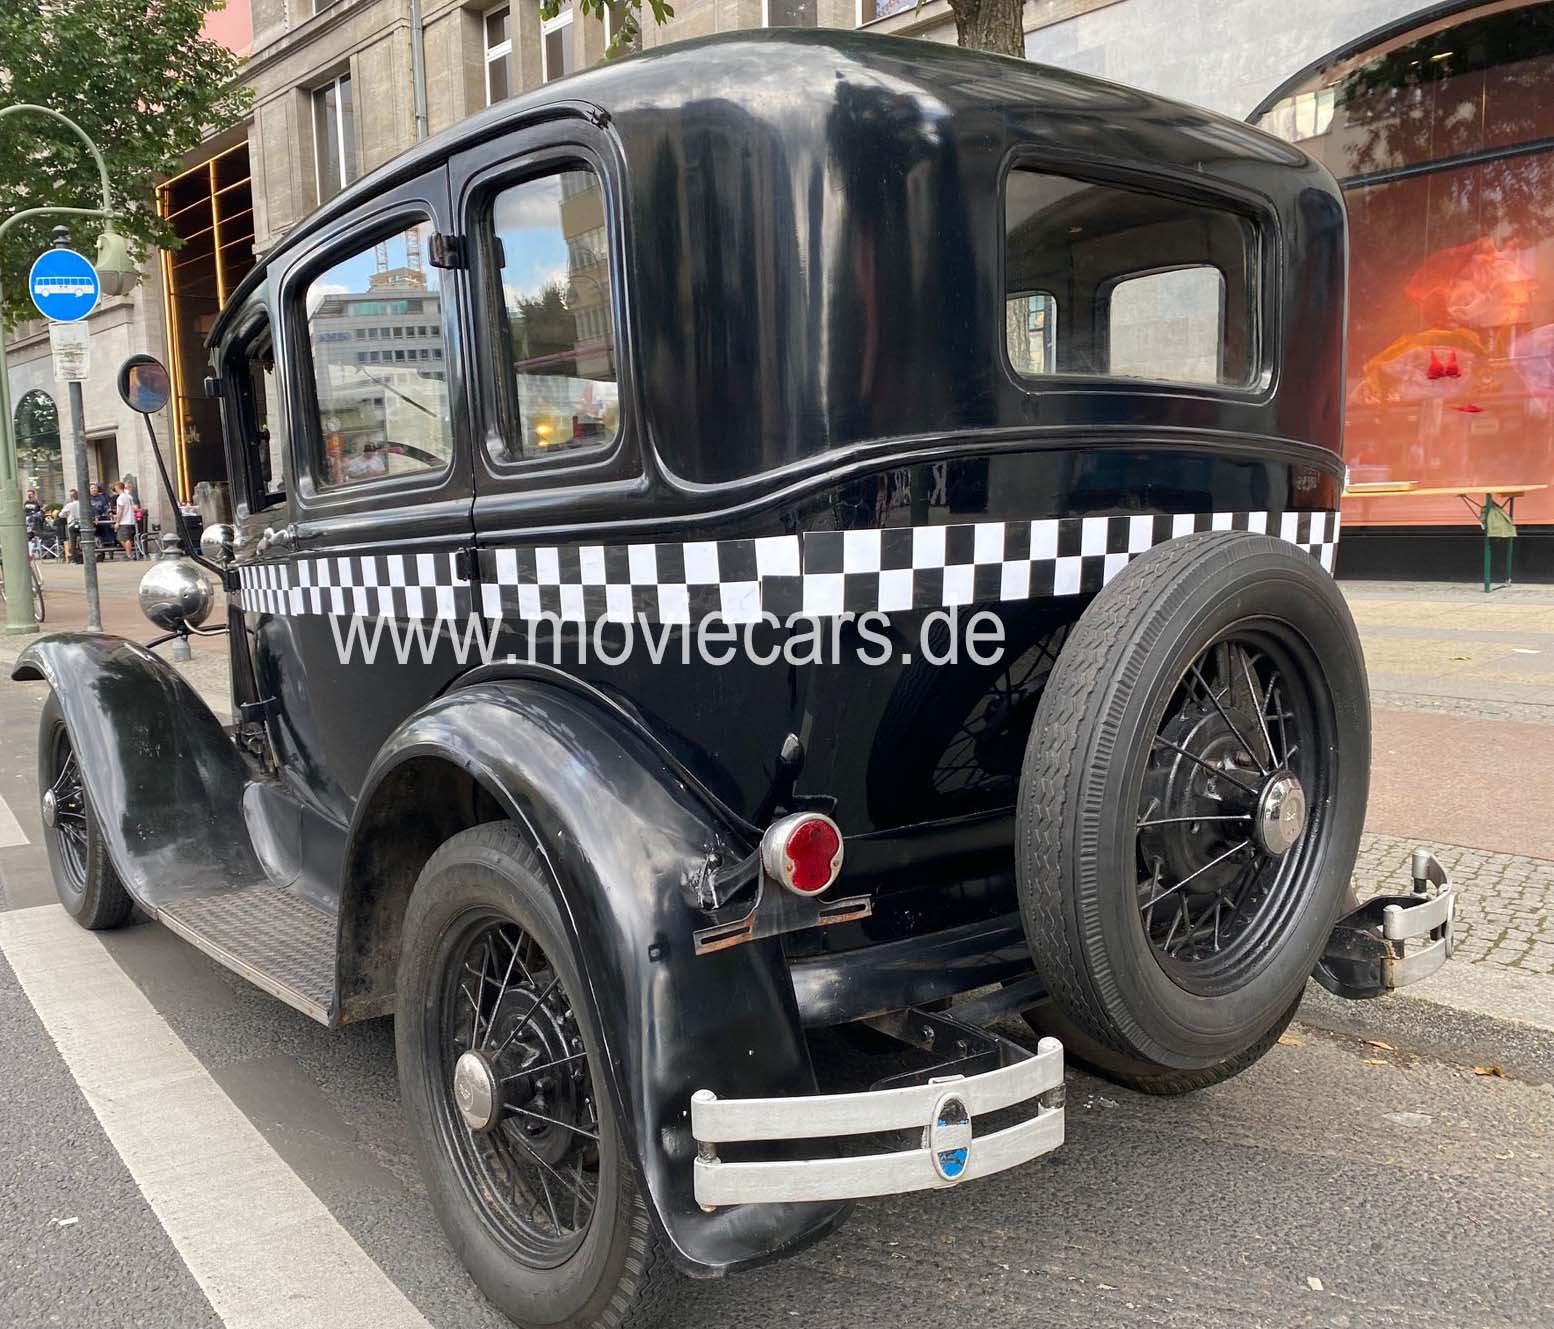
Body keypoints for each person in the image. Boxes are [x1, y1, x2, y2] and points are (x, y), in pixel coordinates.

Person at [115, 481, 138, 559]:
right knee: (125, 538)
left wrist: (117, 521)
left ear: (117, 488)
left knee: (125, 539)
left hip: (124, 521)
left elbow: (121, 510)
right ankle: (129, 552)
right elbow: (133, 507)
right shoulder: (129, 496)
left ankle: (129, 554)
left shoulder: (120, 498)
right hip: (130, 519)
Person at [60, 489, 81, 563]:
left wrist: (67, 514)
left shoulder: (68, 505)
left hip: (72, 524)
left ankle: (75, 558)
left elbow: (61, 515)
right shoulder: (82, 504)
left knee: (73, 541)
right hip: (81, 524)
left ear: (71, 497)